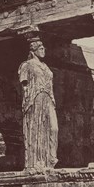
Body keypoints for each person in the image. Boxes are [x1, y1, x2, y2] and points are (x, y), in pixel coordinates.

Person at [18, 39, 58, 169]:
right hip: (35, 99)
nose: (43, 50)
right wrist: (28, 103)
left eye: (43, 48)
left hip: (48, 99)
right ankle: (36, 161)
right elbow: (24, 86)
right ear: (33, 51)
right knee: (37, 130)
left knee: (53, 128)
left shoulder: (45, 66)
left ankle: (50, 158)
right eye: (40, 48)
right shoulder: (27, 65)